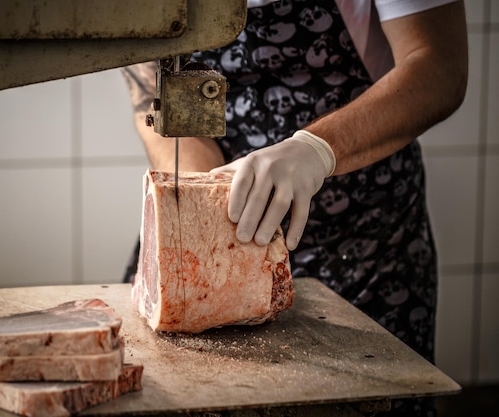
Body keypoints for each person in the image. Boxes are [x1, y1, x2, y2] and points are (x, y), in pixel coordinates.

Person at [121, 1, 467, 415]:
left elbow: (438, 66)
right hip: (216, 226)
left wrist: (317, 149)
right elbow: (150, 83)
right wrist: (203, 210)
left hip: (359, 240)